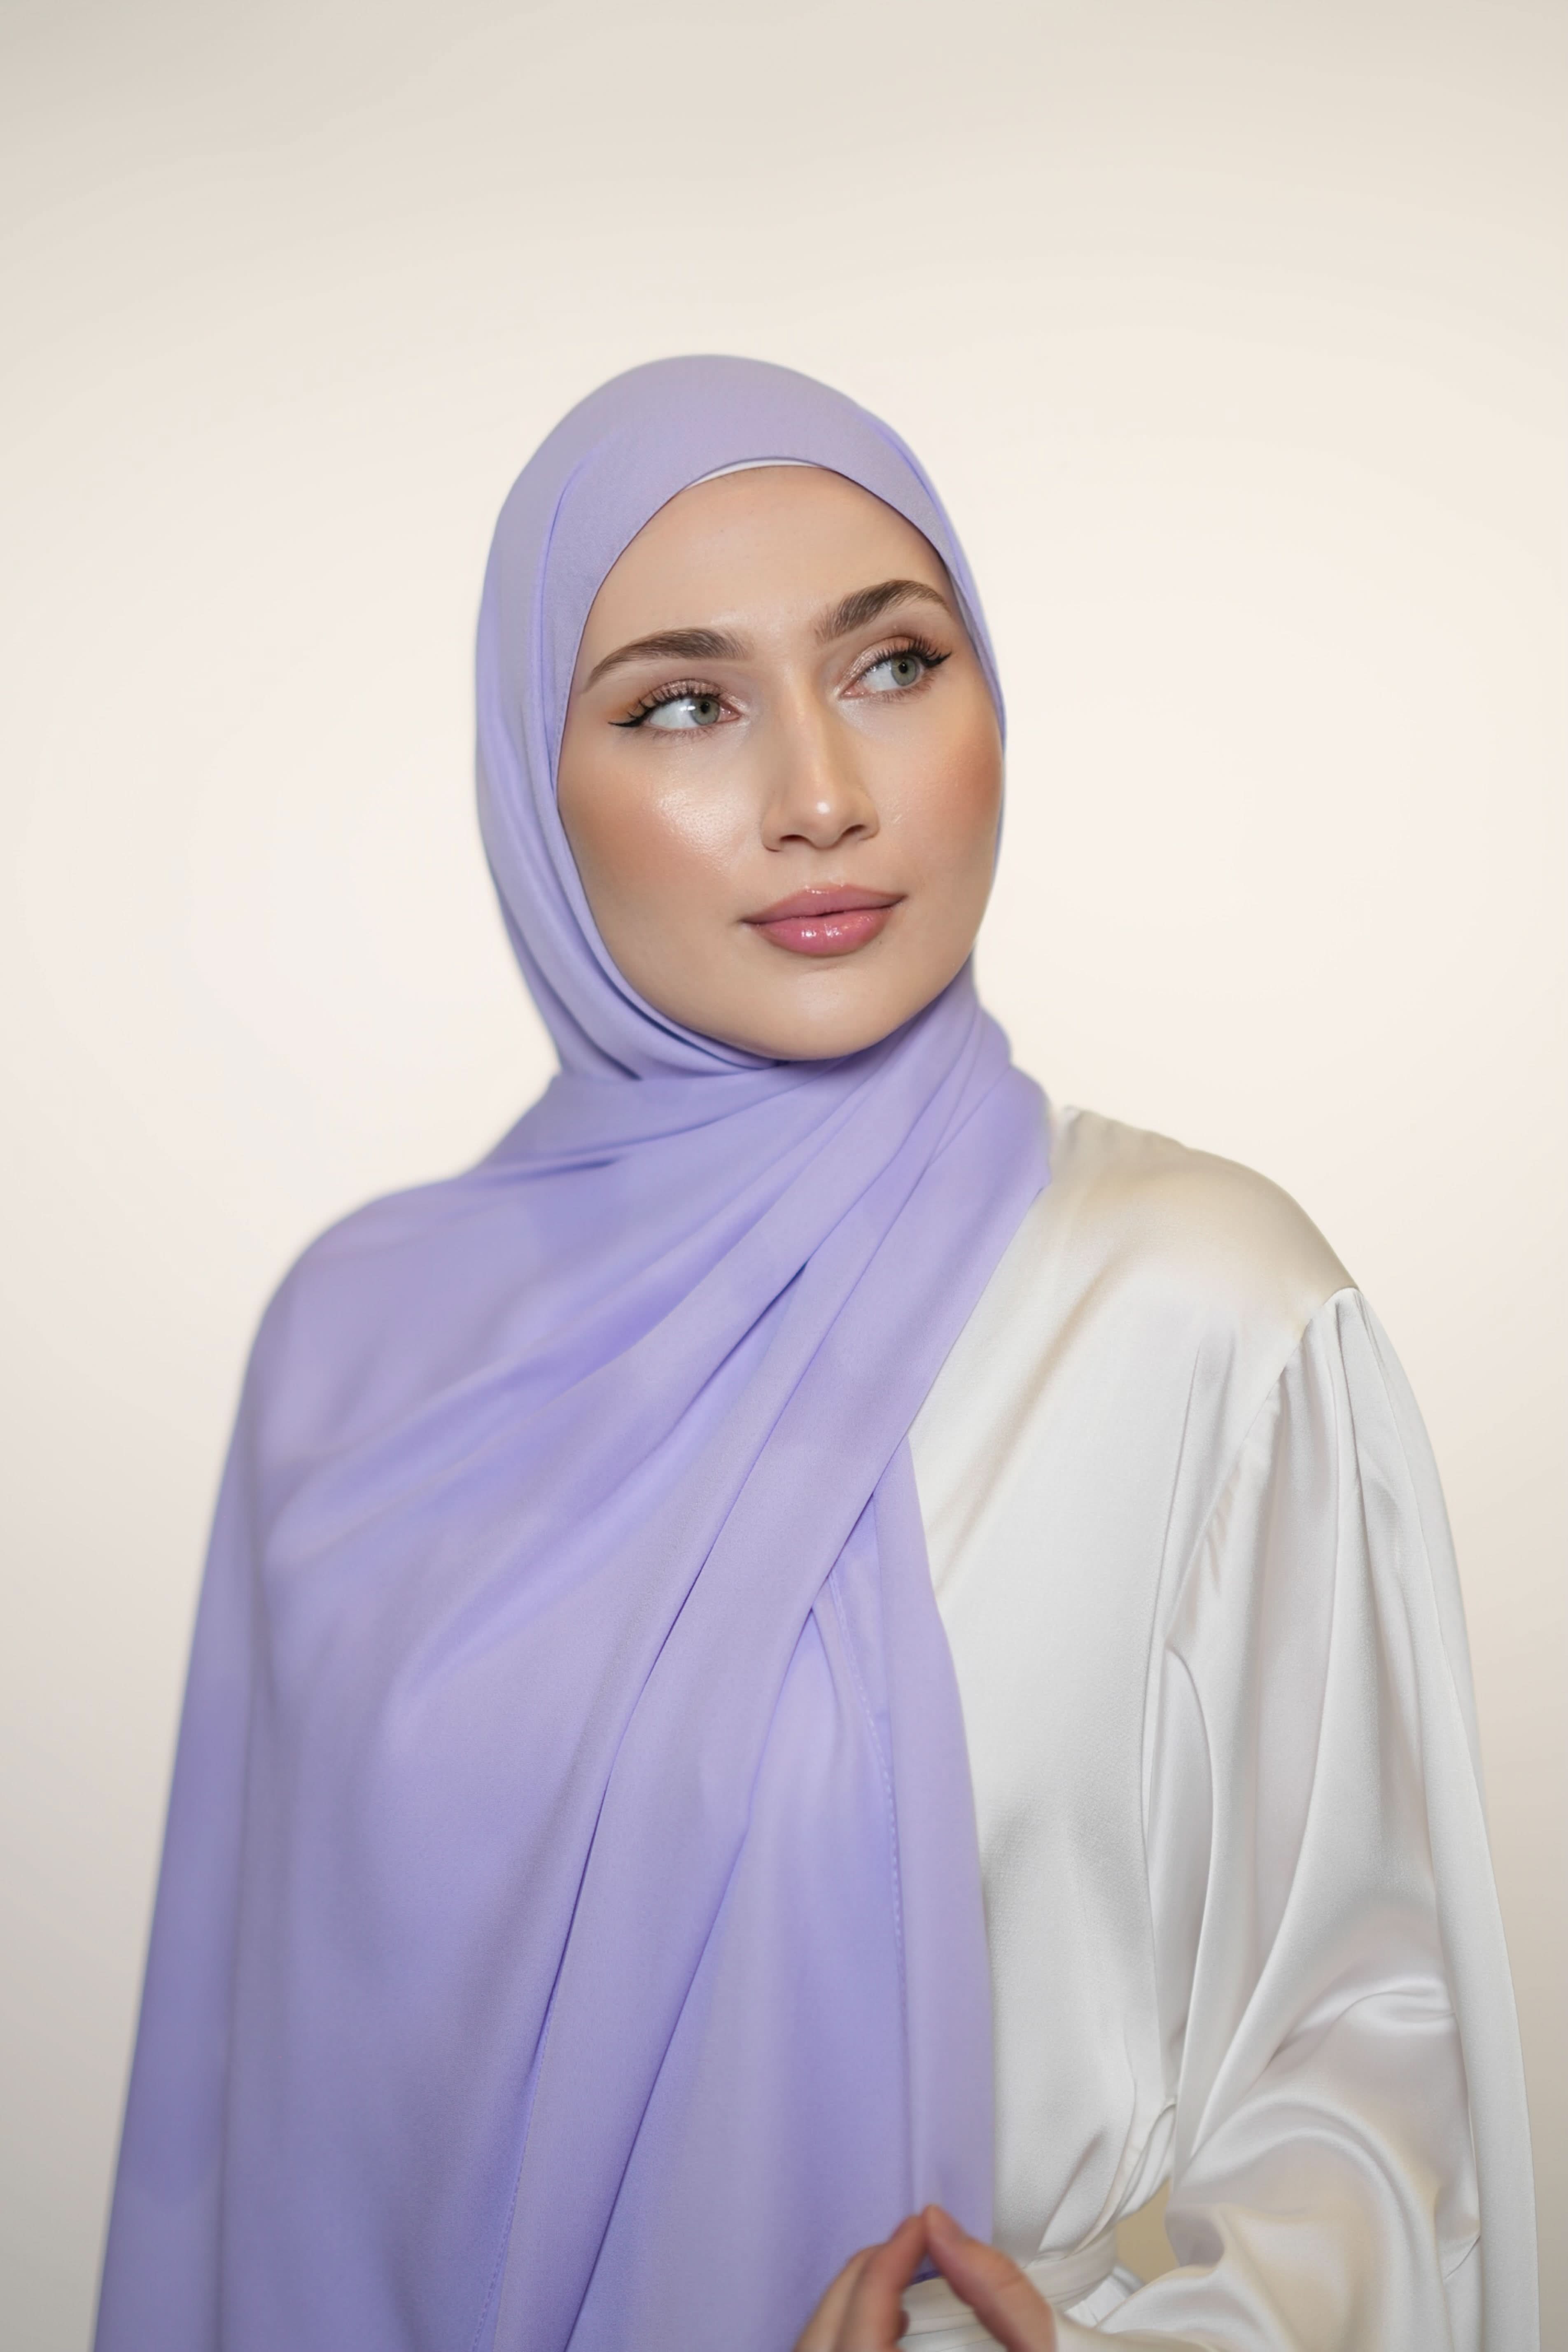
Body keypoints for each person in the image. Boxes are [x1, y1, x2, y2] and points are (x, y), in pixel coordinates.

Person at [94, 357, 1536, 2352]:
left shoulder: (1200, 1306)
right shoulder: (358, 1352)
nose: (823, 797)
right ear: (531, 787)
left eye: (893, 665)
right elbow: (240, 2130)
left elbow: (1375, 2082)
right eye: (683, 704)